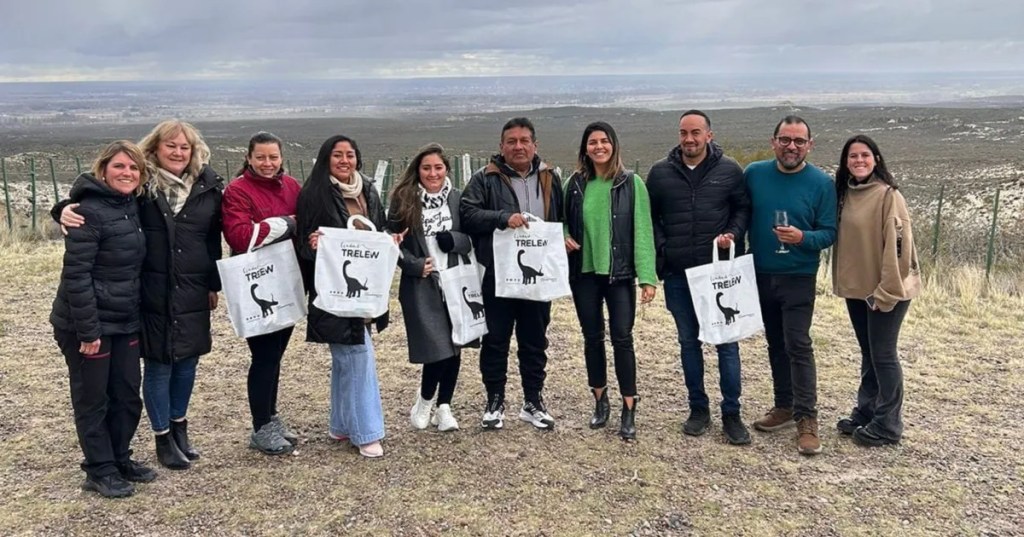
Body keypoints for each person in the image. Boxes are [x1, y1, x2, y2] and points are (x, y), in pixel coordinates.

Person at [58, 120, 224, 469]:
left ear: (193, 151)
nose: (178, 152)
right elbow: (99, 200)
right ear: (155, 148)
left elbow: (212, 239)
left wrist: (213, 283)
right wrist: (62, 209)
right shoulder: (142, 186)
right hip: (149, 289)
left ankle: (178, 429)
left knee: (188, 361)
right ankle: (161, 438)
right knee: (159, 363)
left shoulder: (208, 186)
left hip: (192, 288)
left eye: (184, 147)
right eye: (170, 146)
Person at [50, 141, 156, 498]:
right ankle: (99, 469)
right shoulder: (88, 213)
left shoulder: (131, 205)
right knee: (93, 398)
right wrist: (88, 330)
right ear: (103, 170)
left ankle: (119, 458)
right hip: (87, 324)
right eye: (119, 166)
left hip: (124, 319)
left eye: (133, 168)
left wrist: (59, 207)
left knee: (126, 394)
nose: (127, 173)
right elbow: (76, 275)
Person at [646, 110, 753, 445]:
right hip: (678, 274)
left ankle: (732, 413)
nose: (689, 139)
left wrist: (732, 234)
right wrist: (664, 249)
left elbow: (742, 208)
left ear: (709, 135)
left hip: (718, 273)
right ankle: (698, 408)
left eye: (695, 132)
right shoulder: (660, 173)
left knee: (726, 343)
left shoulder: (730, 170)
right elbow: (650, 217)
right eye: (683, 132)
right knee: (688, 342)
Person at [460, 117, 564, 431]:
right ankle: (495, 401)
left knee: (535, 341)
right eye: (511, 141)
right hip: (497, 275)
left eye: (524, 141)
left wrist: (566, 239)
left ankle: (533, 401)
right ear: (501, 146)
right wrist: (503, 217)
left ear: (535, 145)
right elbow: (467, 214)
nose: (518, 146)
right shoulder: (485, 178)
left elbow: (559, 219)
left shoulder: (550, 178)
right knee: (495, 341)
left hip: (537, 278)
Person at [744, 115, 837, 456]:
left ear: (810, 145)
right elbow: (740, 213)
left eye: (799, 141)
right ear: (774, 142)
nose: (791, 147)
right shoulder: (753, 174)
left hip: (799, 275)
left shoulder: (822, 183)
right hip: (760, 273)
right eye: (785, 139)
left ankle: (807, 419)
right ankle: (784, 405)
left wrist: (802, 238)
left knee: (798, 344)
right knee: (775, 343)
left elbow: (829, 232)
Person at [296, 134, 388, 458]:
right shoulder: (314, 194)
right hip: (334, 293)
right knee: (358, 356)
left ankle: (341, 424)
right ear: (326, 159)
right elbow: (302, 246)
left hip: (364, 290)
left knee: (346, 360)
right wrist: (313, 247)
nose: (344, 160)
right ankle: (366, 433)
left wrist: (391, 241)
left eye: (350, 154)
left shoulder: (368, 190)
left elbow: (380, 230)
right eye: (337, 155)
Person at [564, 121, 656, 440]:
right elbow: (560, 219)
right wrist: (563, 235)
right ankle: (600, 400)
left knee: (622, 338)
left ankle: (629, 407)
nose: (599, 146)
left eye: (604, 141)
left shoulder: (631, 183)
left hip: (619, 274)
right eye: (592, 142)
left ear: (614, 145)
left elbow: (642, 231)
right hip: (585, 273)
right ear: (585, 148)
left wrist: (647, 277)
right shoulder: (574, 184)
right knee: (592, 337)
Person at [832, 134, 920, 447]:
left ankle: (888, 425)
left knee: (883, 355)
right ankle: (866, 412)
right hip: (858, 290)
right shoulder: (845, 193)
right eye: (853, 156)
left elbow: (899, 249)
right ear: (845, 162)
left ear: (876, 159)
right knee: (869, 353)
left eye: (865, 155)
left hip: (886, 291)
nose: (859, 160)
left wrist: (885, 292)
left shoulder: (888, 196)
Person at [221, 132, 303, 454]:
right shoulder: (237, 190)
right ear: (249, 158)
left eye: (273, 157)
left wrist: (273, 227)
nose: (267, 163)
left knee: (276, 353)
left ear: (281, 157)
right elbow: (241, 237)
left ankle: (270, 417)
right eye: (261, 157)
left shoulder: (292, 186)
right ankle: (260, 427)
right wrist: (287, 223)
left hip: (287, 280)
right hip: (255, 280)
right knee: (264, 356)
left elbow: (305, 224)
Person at [388, 143, 474, 432]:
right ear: (418, 170)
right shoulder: (404, 200)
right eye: (427, 168)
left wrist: (455, 241)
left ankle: (444, 407)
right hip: (423, 283)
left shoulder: (458, 199)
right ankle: (425, 400)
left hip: (456, 279)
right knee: (438, 346)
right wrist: (413, 265)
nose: (433, 173)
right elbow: (391, 239)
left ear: (447, 169)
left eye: (438, 167)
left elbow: (472, 237)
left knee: (456, 343)